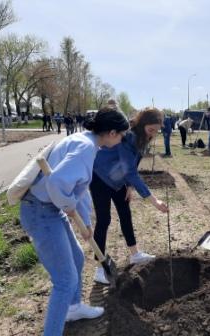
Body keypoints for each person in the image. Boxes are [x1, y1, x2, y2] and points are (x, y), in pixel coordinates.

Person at [20, 108, 129, 336]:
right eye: (121, 135)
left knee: (78, 257)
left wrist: (86, 222)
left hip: (49, 208)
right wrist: (69, 208)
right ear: (110, 133)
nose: (121, 140)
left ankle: (73, 308)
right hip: (40, 211)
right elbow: (58, 184)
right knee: (65, 280)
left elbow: (76, 188)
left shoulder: (85, 141)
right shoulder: (86, 148)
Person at [90, 108, 168, 285]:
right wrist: (154, 200)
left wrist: (130, 186)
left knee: (125, 214)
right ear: (142, 124)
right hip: (100, 177)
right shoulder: (130, 137)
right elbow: (130, 171)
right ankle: (100, 268)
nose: (154, 134)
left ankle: (135, 255)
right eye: (151, 130)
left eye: (157, 131)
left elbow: (135, 161)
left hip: (118, 179)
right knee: (104, 220)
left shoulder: (143, 137)